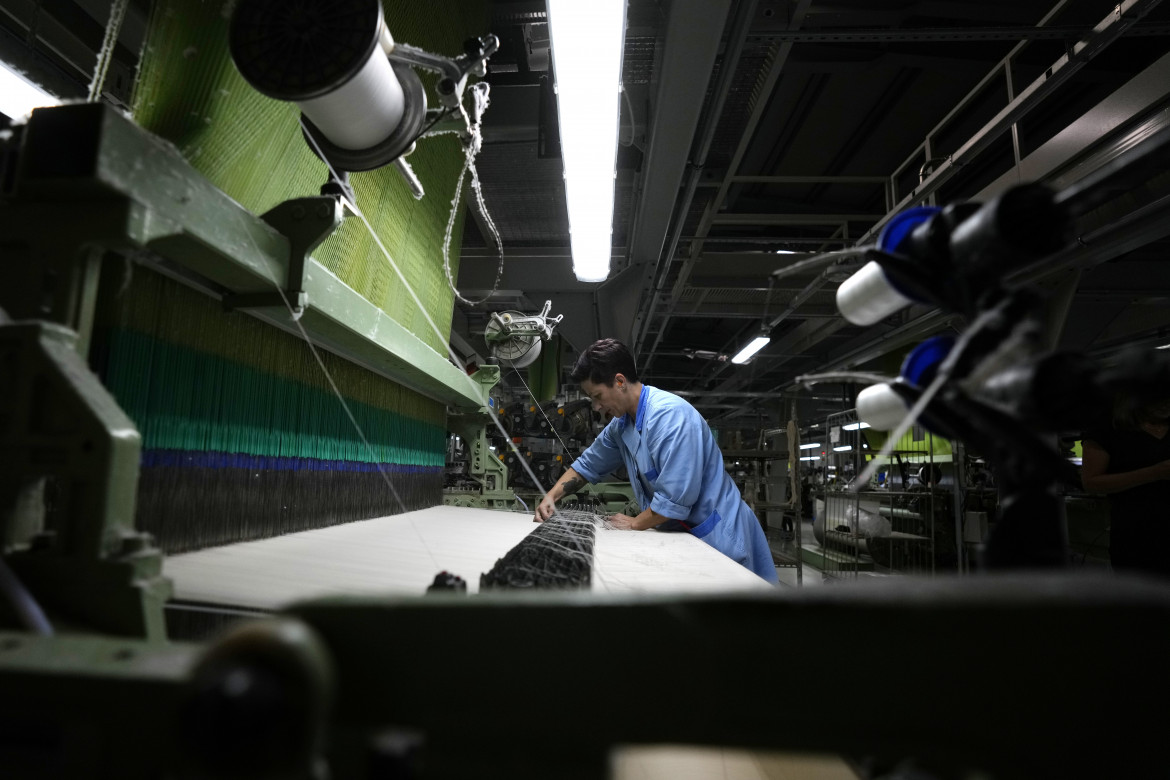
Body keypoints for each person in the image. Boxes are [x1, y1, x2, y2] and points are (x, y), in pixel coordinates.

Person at [535, 338, 779, 584]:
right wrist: (552, 496)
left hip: (719, 535)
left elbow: (674, 500)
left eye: (598, 396)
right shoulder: (620, 426)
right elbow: (588, 465)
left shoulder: (670, 418)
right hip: (681, 534)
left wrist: (635, 523)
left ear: (620, 382)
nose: (597, 407)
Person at [1081, 396, 1170, 578]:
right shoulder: (1109, 425)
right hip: (1137, 539)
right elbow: (1091, 482)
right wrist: (1154, 473)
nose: (1165, 403)